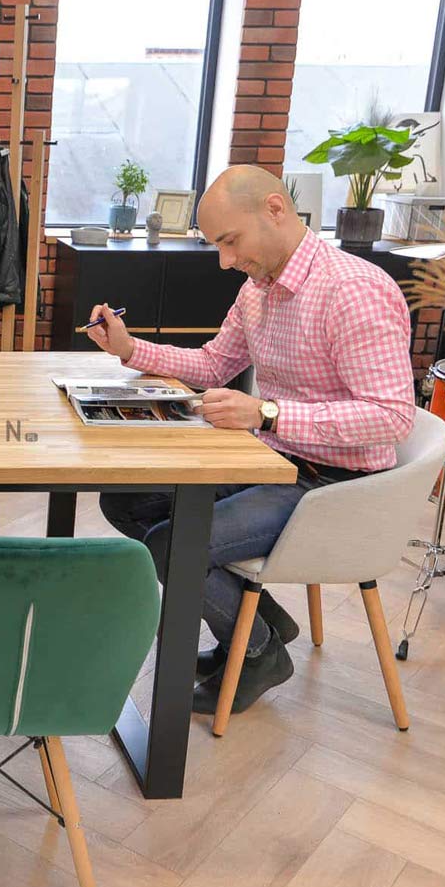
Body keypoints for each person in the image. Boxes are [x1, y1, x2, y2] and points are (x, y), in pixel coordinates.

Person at [86, 165, 415, 717]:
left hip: (337, 486)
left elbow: (390, 418)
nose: (225, 260)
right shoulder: (258, 291)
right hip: (276, 461)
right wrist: (129, 348)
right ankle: (255, 623)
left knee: (173, 543)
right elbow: (216, 363)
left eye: (230, 241)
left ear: (275, 209)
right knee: (124, 499)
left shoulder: (354, 291)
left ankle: (259, 650)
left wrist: (266, 412)